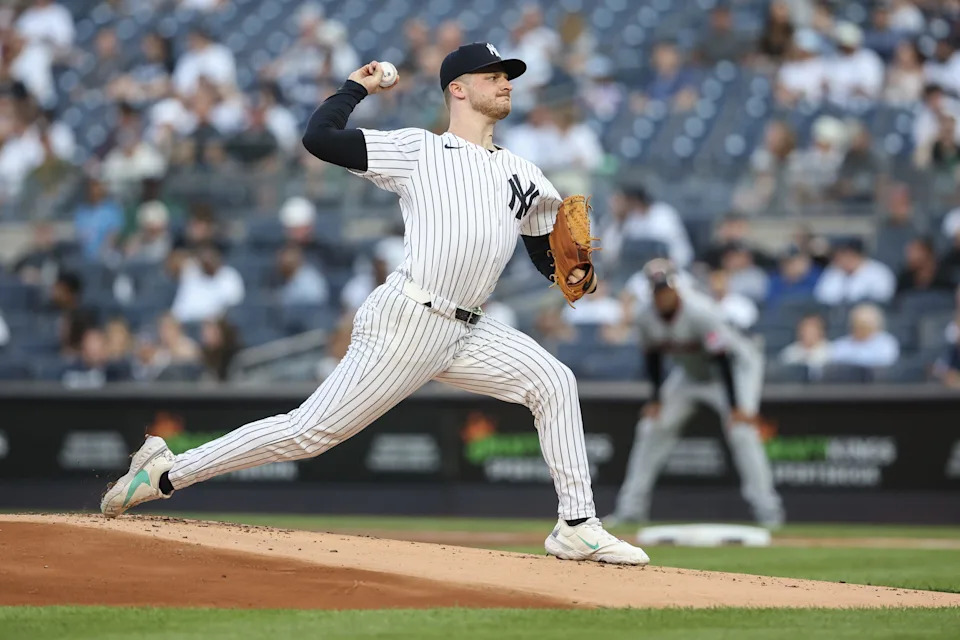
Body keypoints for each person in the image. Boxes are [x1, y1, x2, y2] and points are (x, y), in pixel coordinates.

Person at [101, 44, 649, 565]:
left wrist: (570, 272)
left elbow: (541, 249)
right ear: (457, 89)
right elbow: (320, 138)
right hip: (410, 319)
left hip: (469, 329)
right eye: (494, 76)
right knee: (308, 433)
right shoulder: (419, 149)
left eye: (508, 77)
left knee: (554, 382)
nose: (506, 84)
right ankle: (166, 472)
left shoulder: (526, 173)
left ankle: (577, 526)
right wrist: (353, 87)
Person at [607, 259, 784, 529]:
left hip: (735, 370)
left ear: (676, 287)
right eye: (656, 290)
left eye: (665, 289)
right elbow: (652, 358)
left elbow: (722, 357)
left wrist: (737, 407)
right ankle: (631, 509)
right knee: (650, 427)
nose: (662, 295)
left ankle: (768, 511)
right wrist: (655, 400)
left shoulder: (700, 311)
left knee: (742, 432)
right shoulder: (645, 317)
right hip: (690, 375)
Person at [828, 303, 900, 369]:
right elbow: (833, 359)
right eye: (857, 325)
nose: (861, 330)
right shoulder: (841, 344)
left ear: (875, 326)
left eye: (865, 326)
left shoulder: (886, 342)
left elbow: (886, 361)